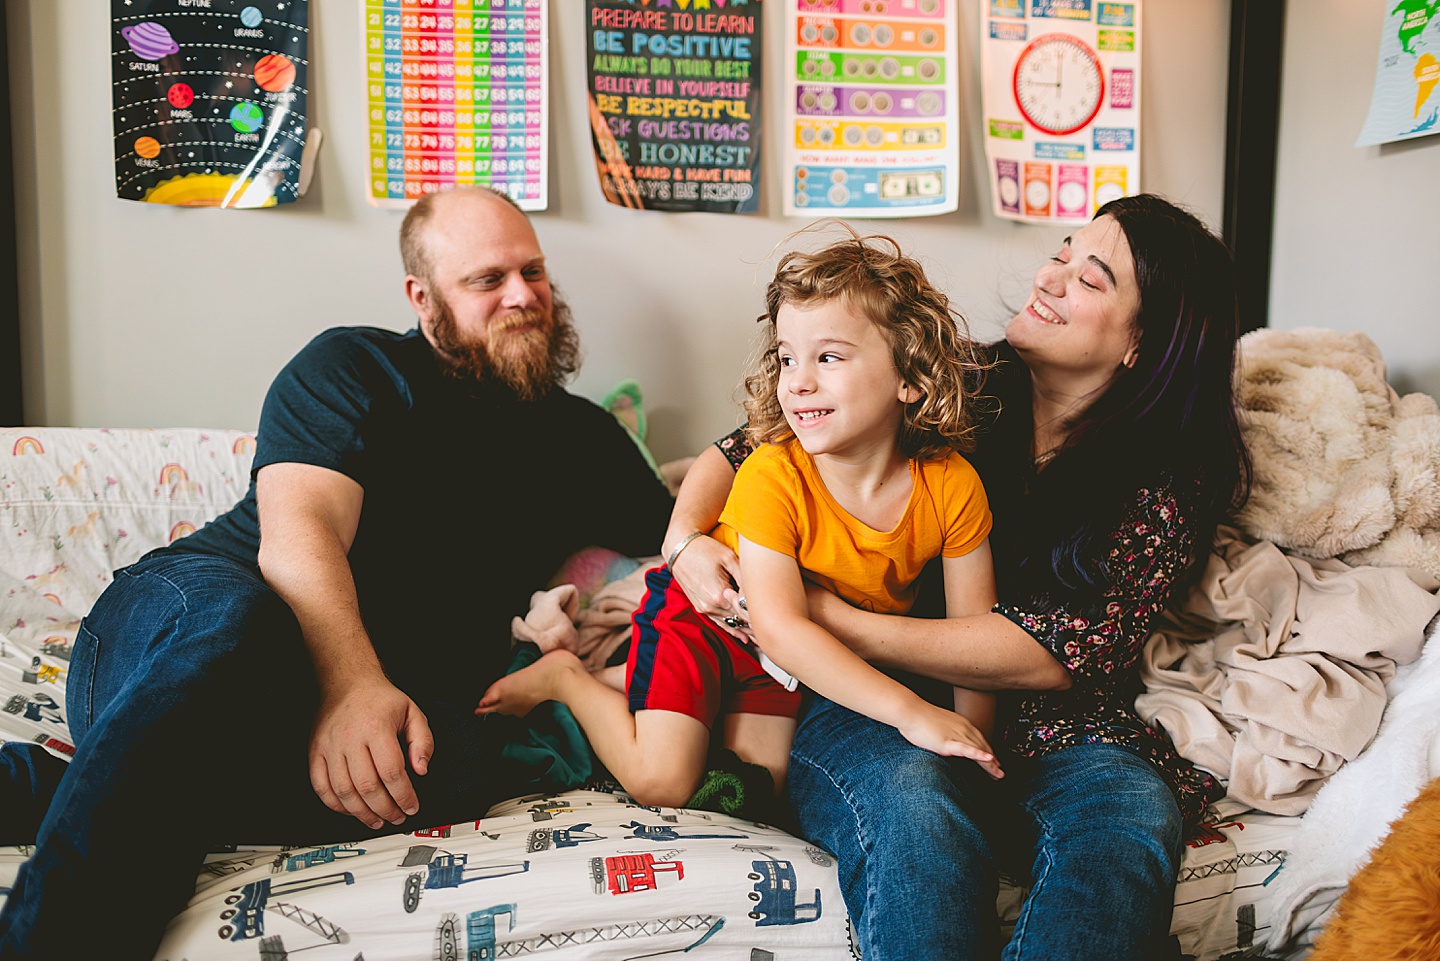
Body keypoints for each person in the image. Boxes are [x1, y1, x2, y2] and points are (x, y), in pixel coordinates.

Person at [0, 186, 674, 961]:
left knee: (461, 755)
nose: (524, 295)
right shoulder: (356, 368)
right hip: (180, 628)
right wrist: (352, 682)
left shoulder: (584, 438)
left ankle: (61, 783)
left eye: (534, 271)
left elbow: (683, 538)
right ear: (423, 298)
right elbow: (298, 533)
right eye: (488, 280)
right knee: (239, 625)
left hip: (320, 721)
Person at [665, 194, 1252, 960]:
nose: (1051, 276)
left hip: (1057, 725)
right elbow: (755, 443)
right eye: (1064, 250)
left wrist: (828, 614)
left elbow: (1052, 654)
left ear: (1145, 341)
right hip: (860, 696)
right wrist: (683, 542)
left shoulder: (1170, 476)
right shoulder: (959, 379)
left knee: (1130, 816)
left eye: (1091, 277)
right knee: (918, 801)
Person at [476, 229, 1001, 810]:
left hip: (778, 657)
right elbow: (781, 628)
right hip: (705, 616)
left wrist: (974, 751)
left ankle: (634, 686)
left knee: (755, 794)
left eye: (828, 357)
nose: (798, 380)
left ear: (911, 376)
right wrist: (915, 715)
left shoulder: (954, 486)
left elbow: (971, 646)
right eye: (786, 358)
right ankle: (566, 678)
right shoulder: (771, 472)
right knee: (664, 782)